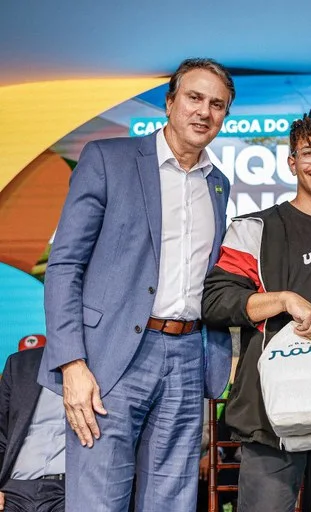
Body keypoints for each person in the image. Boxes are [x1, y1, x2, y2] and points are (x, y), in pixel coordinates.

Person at [38, 58, 234, 511]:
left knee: (172, 501)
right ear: (170, 103)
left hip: (187, 357)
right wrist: (72, 363)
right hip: (109, 358)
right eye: (194, 98)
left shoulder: (218, 184)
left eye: (217, 104)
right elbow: (65, 264)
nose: (204, 112)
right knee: (98, 499)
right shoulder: (109, 158)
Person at [202, 108, 311, 512]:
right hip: (271, 418)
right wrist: (283, 299)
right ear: (291, 162)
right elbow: (215, 300)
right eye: (309, 152)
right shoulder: (254, 229)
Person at [0, 337, 65, 512]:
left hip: (68, 490)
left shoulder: (103, 369)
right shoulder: (19, 364)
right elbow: (1, 433)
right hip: (14, 489)